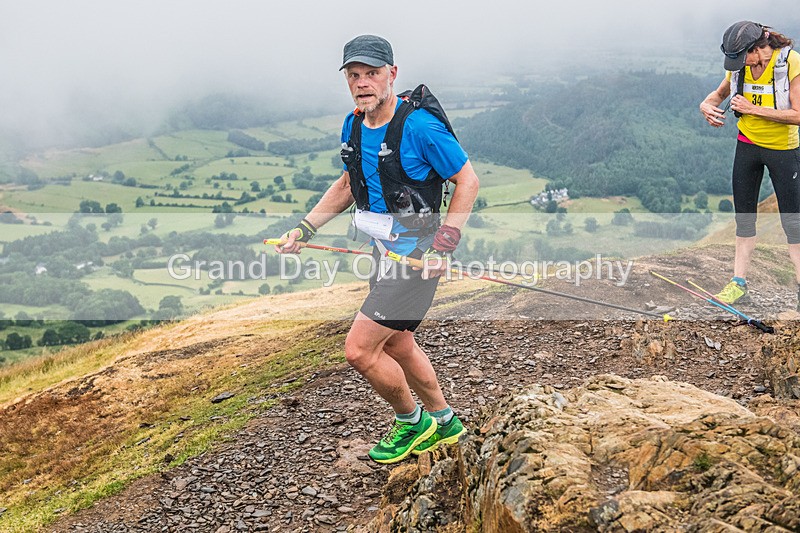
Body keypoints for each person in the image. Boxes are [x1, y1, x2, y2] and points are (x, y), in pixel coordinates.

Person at [275, 34, 480, 463]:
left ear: (393, 74)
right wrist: (305, 228)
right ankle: (446, 423)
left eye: (372, 73)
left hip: (417, 256)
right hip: (381, 252)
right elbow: (349, 184)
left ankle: (412, 422)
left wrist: (444, 245)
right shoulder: (353, 124)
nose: (363, 82)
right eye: (355, 75)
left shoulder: (419, 127)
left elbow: (468, 180)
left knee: (359, 350)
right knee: (398, 344)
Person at [699, 21, 800, 310]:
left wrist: (753, 109)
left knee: (793, 223)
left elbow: (798, 114)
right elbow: (718, 94)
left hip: (783, 149)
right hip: (747, 145)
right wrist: (705, 105)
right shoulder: (739, 67)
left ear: (757, 49)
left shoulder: (790, 63)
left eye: (741, 58)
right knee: (744, 218)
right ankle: (738, 284)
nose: (736, 66)